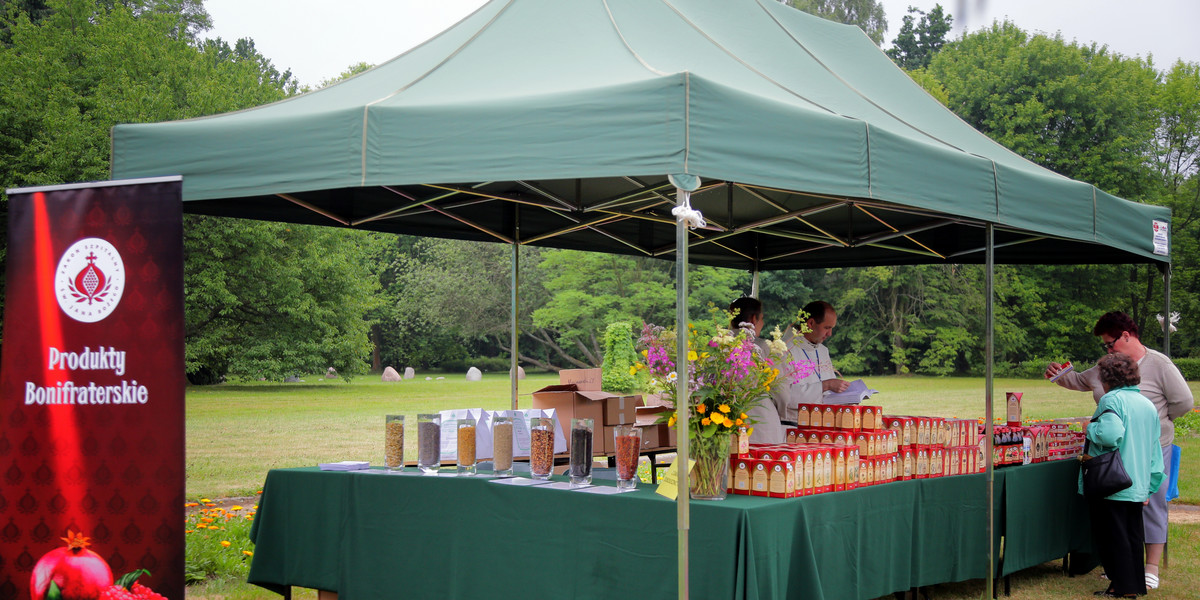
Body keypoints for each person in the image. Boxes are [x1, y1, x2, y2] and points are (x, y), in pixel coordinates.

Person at [1046, 311, 1193, 590]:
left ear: (1127, 336)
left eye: (1110, 343)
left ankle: (1149, 568)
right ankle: (1127, 569)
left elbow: (1184, 401)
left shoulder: (1159, 364)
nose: (1108, 349)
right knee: (1127, 514)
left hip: (1150, 444)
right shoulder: (1110, 366)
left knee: (1148, 506)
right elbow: (1080, 380)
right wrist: (1058, 376)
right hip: (1114, 453)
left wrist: (1157, 423)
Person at [1080, 352, 1163, 598]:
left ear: (1106, 377)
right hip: (1137, 482)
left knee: (1112, 537)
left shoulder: (1111, 400)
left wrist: (1090, 427)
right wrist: (1150, 485)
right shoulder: (1148, 404)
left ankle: (1122, 587)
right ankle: (1131, 585)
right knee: (1132, 536)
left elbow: (1110, 435)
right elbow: (1155, 450)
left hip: (1112, 481)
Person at [774, 300, 850, 424]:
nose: (830, 334)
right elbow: (785, 397)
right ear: (810, 323)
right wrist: (825, 385)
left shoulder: (823, 351)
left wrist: (847, 397)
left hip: (824, 424)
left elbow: (829, 395)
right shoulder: (783, 350)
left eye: (831, 328)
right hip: (793, 427)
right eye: (827, 328)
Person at [728, 297, 784, 444]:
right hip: (761, 421)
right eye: (762, 319)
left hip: (722, 420)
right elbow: (781, 390)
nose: (763, 324)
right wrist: (782, 412)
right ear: (754, 319)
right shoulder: (763, 348)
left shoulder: (716, 345)